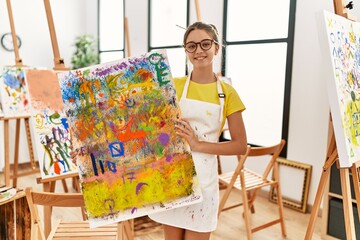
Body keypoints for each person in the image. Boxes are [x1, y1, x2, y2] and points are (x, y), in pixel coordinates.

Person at [148, 22, 247, 240]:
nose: (198, 51)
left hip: (204, 184)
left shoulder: (228, 94)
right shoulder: (173, 85)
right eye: (191, 46)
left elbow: (240, 145)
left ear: (216, 47)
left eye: (205, 44)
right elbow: (146, 127)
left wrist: (198, 144)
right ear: (185, 51)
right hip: (174, 179)